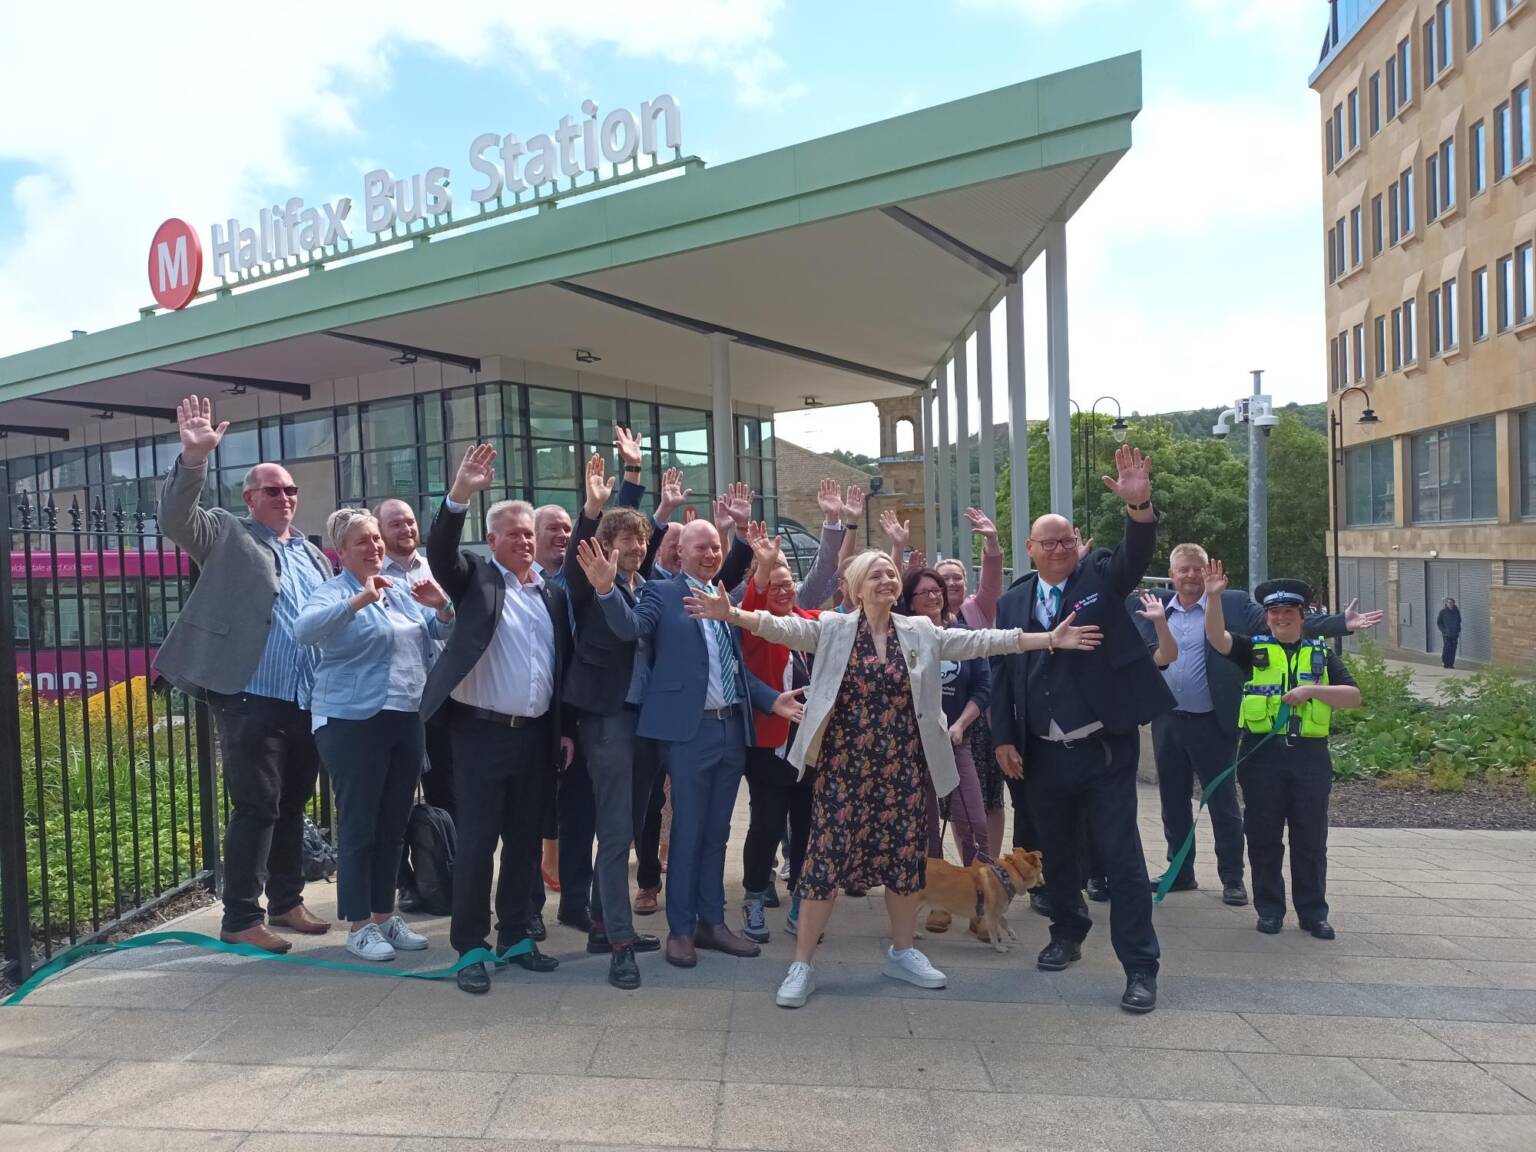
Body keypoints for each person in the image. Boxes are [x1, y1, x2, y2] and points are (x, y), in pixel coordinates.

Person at [688, 548, 1101, 1009]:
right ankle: (801, 963)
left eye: (890, 573)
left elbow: (984, 641)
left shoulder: (920, 631)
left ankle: (903, 953)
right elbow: (782, 627)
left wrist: (1047, 639)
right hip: (844, 772)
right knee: (824, 866)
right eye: (877, 574)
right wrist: (735, 614)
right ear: (857, 586)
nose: (887, 580)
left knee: (906, 868)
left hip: (902, 771)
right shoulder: (834, 629)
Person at [990, 444, 1173, 1014]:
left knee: (1120, 858)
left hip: (1102, 749)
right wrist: (1001, 738)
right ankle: (1067, 933)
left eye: (1067, 539)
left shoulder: (1098, 578)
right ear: (1031, 549)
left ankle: (1140, 966)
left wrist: (1138, 509)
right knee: (1058, 855)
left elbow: (1134, 557)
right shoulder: (1014, 600)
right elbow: (1001, 672)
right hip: (1042, 754)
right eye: (1049, 542)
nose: (1060, 548)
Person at [154, 395, 335, 954]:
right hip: (251, 697)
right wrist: (194, 458)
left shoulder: (312, 553)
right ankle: (239, 916)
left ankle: (285, 903)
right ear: (249, 497)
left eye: (291, 490)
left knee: (292, 803)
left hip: (306, 699)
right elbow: (175, 517)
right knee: (256, 806)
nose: (285, 498)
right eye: (273, 490)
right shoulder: (227, 535)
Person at [582, 515, 796, 969]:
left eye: (716, 547)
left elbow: (734, 667)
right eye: (700, 547)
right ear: (680, 553)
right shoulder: (660, 593)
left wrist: (770, 699)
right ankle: (680, 929)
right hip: (687, 732)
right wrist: (604, 589)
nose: (711, 554)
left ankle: (711, 923)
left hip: (730, 728)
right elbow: (629, 628)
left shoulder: (724, 599)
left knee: (718, 834)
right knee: (688, 831)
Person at [1132, 544, 1373, 906]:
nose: (1190, 575)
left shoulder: (1232, 602)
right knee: (1173, 802)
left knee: (1222, 801)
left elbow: (1282, 620)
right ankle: (1180, 871)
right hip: (1168, 719)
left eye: (1197, 568)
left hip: (1214, 720)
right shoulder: (1154, 606)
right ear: (1171, 573)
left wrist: (1341, 623)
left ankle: (1232, 877)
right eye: (1183, 569)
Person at [422, 444, 574, 995]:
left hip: (534, 738)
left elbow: (557, 669)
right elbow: (440, 553)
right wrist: (459, 493)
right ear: (492, 542)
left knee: (525, 844)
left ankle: (515, 936)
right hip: (480, 734)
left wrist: (560, 732)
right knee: (479, 843)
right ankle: (469, 947)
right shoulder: (478, 580)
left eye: (529, 533)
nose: (526, 541)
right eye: (514, 534)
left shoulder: (549, 595)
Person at [295, 509, 453, 961]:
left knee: (394, 823)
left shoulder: (400, 589)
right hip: (350, 721)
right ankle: (359, 923)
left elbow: (436, 635)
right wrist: (358, 601)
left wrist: (441, 606)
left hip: (405, 716)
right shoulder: (332, 591)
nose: (374, 547)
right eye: (362, 542)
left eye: (376, 540)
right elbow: (304, 631)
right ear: (341, 552)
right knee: (360, 822)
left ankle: (384, 916)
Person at [1202, 564, 1362, 940]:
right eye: (1274, 613)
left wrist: (1313, 691)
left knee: (1310, 839)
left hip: (1309, 758)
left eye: (1288, 613)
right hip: (1261, 757)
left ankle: (1313, 913)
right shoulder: (1253, 649)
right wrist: (1213, 597)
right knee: (1263, 836)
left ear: (1302, 617)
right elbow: (1216, 637)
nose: (1280, 618)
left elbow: (1353, 697)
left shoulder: (1320, 654)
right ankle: (1270, 909)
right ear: (1268, 619)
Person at [563, 448, 669, 989]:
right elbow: (617, 625)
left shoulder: (647, 590)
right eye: (628, 540)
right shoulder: (587, 583)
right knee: (615, 832)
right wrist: (593, 509)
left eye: (643, 541)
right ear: (604, 547)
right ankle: (620, 945)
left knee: (626, 829)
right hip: (606, 721)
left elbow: (640, 625)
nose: (638, 548)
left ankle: (604, 924)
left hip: (644, 724)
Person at [736, 525, 829, 944]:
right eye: (774, 585)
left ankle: (801, 902)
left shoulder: (811, 622)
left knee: (808, 827)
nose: (782, 591)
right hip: (769, 745)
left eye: (788, 583)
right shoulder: (755, 625)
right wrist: (764, 567)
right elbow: (751, 599)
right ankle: (754, 898)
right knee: (767, 825)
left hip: (811, 747)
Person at [899, 568, 992, 872]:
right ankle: (935, 898)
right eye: (925, 591)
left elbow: (983, 688)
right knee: (924, 829)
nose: (935, 595)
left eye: (937, 589)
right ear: (910, 602)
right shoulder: (900, 640)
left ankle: (982, 895)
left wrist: (961, 724)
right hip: (913, 745)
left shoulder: (963, 637)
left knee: (974, 823)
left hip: (955, 741)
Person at [376, 497, 456, 821]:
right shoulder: (372, 575)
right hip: (394, 702)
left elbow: (448, 629)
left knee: (449, 792)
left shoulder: (439, 569)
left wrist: (444, 607)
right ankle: (401, 872)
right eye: (395, 523)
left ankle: (446, 867)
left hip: (443, 698)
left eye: (409, 521)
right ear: (379, 530)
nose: (406, 528)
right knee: (393, 799)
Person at [1437, 596, 1461, 668]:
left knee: (1453, 649)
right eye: (1448, 602)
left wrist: (1458, 630)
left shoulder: (1456, 611)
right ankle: (1445, 662)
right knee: (1447, 648)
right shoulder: (1442, 612)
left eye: (1451, 602)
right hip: (1446, 635)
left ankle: (1451, 664)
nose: (1450, 604)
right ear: (1446, 604)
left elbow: (1459, 620)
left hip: (1454, 634)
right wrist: (1444, 631)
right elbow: (1439, 623)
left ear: (1454, 603)